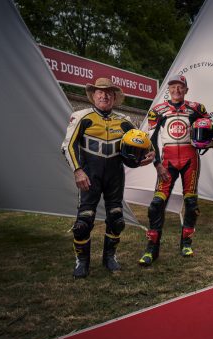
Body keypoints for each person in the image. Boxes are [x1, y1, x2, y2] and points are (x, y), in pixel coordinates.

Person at [62, 77, 154, 279]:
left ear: (114, 97)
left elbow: (145, 143)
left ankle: (109, 257)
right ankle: (83, 261)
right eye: (100, 92)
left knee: (117, 218)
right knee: (83, 222)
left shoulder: (124, 121)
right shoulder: (81, 117)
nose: (104, 95)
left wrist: (151, 155)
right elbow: (68, 146)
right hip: (89, 174)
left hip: (115, 175)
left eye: (108, 93)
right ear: (93, 95)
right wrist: (77, 171)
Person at [139, 74, 213, 265]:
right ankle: (151, 249)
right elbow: (151, 140)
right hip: (167, 161)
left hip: (190, 159)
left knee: (192, 205)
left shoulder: (196, 108)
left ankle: (186, 243)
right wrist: (157, 164)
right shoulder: (158, 111)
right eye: (173, 87)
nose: (176, 90)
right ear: (168, 89)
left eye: (180, 87)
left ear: (186, 90)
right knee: (156, 206)